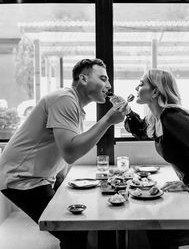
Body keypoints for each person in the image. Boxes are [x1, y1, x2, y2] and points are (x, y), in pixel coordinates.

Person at [0, 58, 126, 249]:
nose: (108, 85)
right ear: (83, 79)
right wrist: (108, 120)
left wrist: (60, 179)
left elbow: (60, 147)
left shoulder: (74, 105)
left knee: (80, 219)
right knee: (73, 232)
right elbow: (70, 152)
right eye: (103, 78)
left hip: (40, 177)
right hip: (21, 179)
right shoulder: (64, 99)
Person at [116, 68, 189, 248]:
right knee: (157, 227)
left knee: (165, 235)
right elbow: (141, 131)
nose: (136, 87)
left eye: (141, 84)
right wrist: (128, 112)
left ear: (155, 91)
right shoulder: (156, 118)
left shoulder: (172, 116)